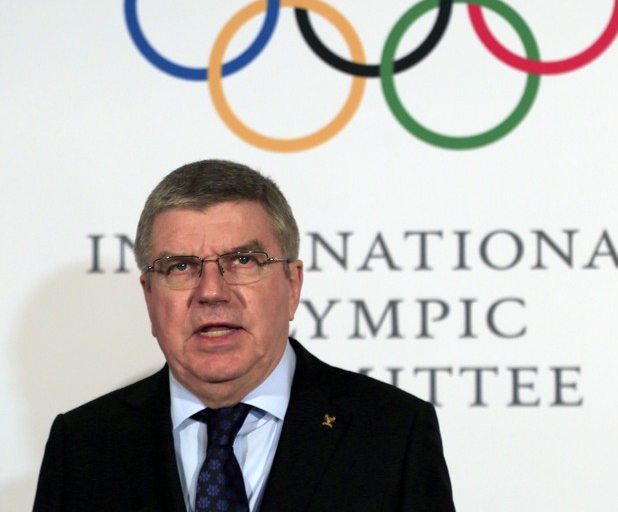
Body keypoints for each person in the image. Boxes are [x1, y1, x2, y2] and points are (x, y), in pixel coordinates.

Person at [32, 159, 455, 512]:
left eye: (243, 261)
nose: (211, 292)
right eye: (179, 267)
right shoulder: (84, 446)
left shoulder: (393, 434)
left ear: (292, 285)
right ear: (148, 296)